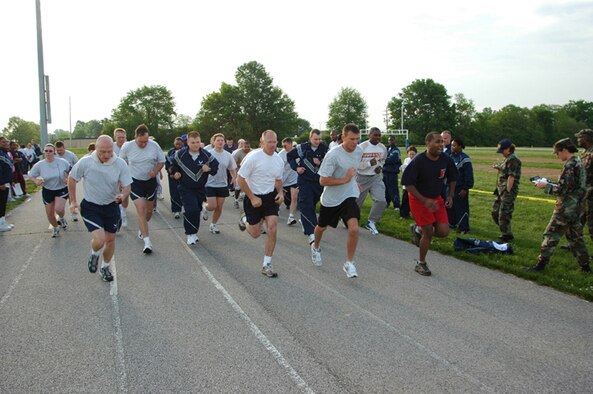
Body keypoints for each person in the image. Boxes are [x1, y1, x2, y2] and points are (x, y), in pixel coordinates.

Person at [68, 135, 132, 282]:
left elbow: (127, 186)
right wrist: (73, 201)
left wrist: (122, 195)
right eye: (102, 152)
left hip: (111, 206)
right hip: (91, 206)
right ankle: (94, 253)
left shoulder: (120, 163)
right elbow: (72, 179)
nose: (106, 155)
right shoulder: (85, 162)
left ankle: (105, 267)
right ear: (95, 148)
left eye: (109, 151)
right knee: (100, 239)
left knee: (110, 240)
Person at [527, 138, 591, 273]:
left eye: (558, 152)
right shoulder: (579, 162)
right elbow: (572, 186)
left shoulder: (570, 165)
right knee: (575, 238)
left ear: (564, 150)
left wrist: (545, 186)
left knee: (550, 235)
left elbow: (562, 190)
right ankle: (585, 267)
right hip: (577, 207)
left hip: (565, 208)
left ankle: (540, 265)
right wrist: (553, 184)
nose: (557, 155)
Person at [310, 123, 364, 278]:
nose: (355, 142)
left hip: (349, 195)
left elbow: (352, 170)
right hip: (331, 199)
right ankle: (316, 247)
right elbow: (322, 181)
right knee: (321, 227)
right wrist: (345, 179)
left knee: (353, 228)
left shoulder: (359, 151)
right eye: (352, 139)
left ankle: (349, 263)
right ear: (343, 137)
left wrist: (354, 181)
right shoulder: (333, 155)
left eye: (357, 139)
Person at [402, 132, 459, 276]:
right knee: (428, 231)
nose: (441, 144)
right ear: (428, 143)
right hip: (418, 199)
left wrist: (450, 196)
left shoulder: (445, 159)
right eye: (437, 142)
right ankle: (421, 263)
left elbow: (453, 178)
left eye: (442, 142)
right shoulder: (419, 161)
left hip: (436, 198)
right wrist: (424, 200)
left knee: (443, 232)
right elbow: (408, 184)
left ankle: (417, 229)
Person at [237, 130, 284, 278]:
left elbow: (278, 180)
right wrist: (252, 198)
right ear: (262, 142)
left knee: (272, 227)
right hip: (253, 197)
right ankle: (244, 219)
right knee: (256, 234)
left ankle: (267, 264)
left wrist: (281, 193)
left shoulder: (278, 160)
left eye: (274, 142)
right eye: (269, 142)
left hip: (270, 198)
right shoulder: (253, 157)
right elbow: (240, 179)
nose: (272, 145)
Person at [118, 124, 166, 254]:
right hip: (135, 181)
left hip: (150, 182)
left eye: (146, 141)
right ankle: (147, 242)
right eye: (141, 142)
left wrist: (155, 170)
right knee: (141, 209)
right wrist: (123, 177)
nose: (144, 144)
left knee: (149, 212)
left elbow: (162, 161)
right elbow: (121, 162)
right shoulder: (127, 146)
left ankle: (142, 228)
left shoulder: (154, 145)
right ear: (135, 137)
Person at [170, 131, 219, 245]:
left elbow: (215, 167)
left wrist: (209, 169)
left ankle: (194, 232)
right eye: (193, 142)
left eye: (197, 142)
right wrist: (175, 173)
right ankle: (190, 234)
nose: (196, 145)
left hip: (200, 188)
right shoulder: (180, 154)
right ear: (187, 142)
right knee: (190, 210)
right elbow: (172, 166)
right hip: (185, 187)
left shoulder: (206, 155)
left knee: (196, 210)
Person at [287, 129, 328, 244]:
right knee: (306, 204)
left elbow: (330, 161)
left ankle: (305, 220)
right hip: (304, 181)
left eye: (319, 139)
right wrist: (296, 168)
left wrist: (320, 163)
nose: (318, 141)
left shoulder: (324, 148)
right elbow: (289, 157)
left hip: (318, 182)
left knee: (312, 204)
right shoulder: (302, 148)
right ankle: (312, 232)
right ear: (310, 138)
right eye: (315, 139)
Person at [28, 143, 71, 237]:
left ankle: (62, 218)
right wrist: (36, 181)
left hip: (61, 188)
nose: (48, 153)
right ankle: (56, 227)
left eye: (50, 151)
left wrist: (67, 178)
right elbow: (31, 175)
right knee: (50, 213)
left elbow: (71, 170)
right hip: (47, 189)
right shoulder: (40, 164)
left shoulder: (62, 162)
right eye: (46, 151)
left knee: (59, 209)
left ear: (54, 152)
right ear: (44, 152)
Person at [357, 127, 388, 235]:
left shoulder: (382, 147)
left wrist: (380, 167)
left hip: (375, 177)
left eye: (379, 135)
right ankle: (348, 219)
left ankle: (371, 221)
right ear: (369, 135)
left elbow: (383, 160)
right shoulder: (361, 147)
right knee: (356, 204)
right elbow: (356, 165)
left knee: (381, 200)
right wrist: (369, 163)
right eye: (375, 135)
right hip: (361, 177)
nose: (378, 137)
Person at [203, 133, 236, 234]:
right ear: (213, 142)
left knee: (219, 207)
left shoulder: (228, 155)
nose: (220, 142)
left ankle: (213, 225)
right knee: (212, 206)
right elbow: (202, 167)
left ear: (224, 142)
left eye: (222, 140)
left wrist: (234, 178)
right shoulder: (208, 153)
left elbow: (232, 168)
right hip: (210, 183)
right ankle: (204, 207)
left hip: (222, 184)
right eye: (218, 140)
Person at [492, 138, 521, 242]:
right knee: (495, 212)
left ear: (508, 149)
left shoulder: (513, 159)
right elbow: (505, 169)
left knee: (504, 213)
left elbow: (511, 176)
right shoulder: (507, 158)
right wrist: (498, 167)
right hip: (500, 189)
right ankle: (505, 230)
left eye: (502, 151)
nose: (501, 153)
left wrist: (507, 191)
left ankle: (506, 235)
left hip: (507, 191)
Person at [447, 137, 474, 233]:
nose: (452, 147)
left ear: (460, 146)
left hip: (460, 188)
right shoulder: (450, 156)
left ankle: (463, 227)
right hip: (450, 187)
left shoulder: (465, 159)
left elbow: (469, 176)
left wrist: (465, 188)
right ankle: (452, 223)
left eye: (454, 145)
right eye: (451, 145)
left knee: (461, 208)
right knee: (450, 206)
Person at [575, 129, 593, 242]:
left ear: (586, 138)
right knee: (577, 222)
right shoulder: (584, 153)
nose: (577, 140)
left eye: (579, 137)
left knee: (591, 223)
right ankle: (576, 244)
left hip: (591, 195)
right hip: (583, 194)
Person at [55, 140, 79, 221]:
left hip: (69, 180)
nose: (59, 152)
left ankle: (73, 214)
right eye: (57, 150)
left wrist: (74, 177)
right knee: (58, 200)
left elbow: (77, 165)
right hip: (58, 181)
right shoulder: (54, 155)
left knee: (71, 197)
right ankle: (60, 215)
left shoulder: (71, 155)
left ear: (64, 148)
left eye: (61, 150)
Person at [279, 137, 299, 225]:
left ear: (291, 144)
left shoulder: (298, 152)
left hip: (294, 178)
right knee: (280, 198)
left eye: (285, 146)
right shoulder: (281, 154)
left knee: (294, 197)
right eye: (282, 146)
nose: (284, 147)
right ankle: (276, 210)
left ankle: (291, 217)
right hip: (283, 179)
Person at [112, 128, 130, 226]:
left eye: (123, 137)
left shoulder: (129, 146)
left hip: (126, 174)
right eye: (119, 137)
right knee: (115, 194)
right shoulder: (111, 147)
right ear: (115, 137)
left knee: (125, 196)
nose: (121, 139)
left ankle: (123, 211)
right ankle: (118, 214)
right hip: (113, 175)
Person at [165, 137, 184, 219]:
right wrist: (170, 172)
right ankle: (176, 210)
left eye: (180, 144)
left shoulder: (185, 151)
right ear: (174, 143)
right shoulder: (170, 152)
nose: (178, 146)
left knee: (183, 192)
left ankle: (184, 207)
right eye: (177, 144)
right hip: (172, 176)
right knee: (174, 192)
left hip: (182, 176)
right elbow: (167, 163)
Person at [383, 135, 402, 211]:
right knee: (386, 189)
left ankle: (396, 205)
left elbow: (392, 160)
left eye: (392, 140)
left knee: (393, 189)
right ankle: (387, 203)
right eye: (389, 140)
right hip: (385, 172)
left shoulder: (396, 150)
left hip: (392, 173)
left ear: (395, 141)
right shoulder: (388, 149)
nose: (390, 141)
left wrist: (383, 159)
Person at [232, 140, 252, 208]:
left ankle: (249, 201)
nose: (246, 148)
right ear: (242, 147)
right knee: (238, 187)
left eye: (248, 147)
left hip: (249, 173)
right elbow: (233, 163)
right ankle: (236, 200)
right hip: (240, 172)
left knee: (250, 187)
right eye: (245, 147)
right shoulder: (238, 153)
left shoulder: (252, 152)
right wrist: (241, 165)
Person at [399, 146, 417, 219]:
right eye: (410, 154)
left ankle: (414, 213)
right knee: (405, 199)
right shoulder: (406, 160)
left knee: (414, 200)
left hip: (414, 184)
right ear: (407, 154)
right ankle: (404, 214)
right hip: (406, 184)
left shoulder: (417, 160)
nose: (412, 156)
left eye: (413, 154)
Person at [0, 136, 14, 232]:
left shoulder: (5, 153)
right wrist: (0, 183)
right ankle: (0, 223)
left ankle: (3, 221)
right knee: (1, 203)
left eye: (7, 141)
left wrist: (10, 180)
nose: (6, 143)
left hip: (6, 181)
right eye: (3, 142)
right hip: (2, 183)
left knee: (3, 202)